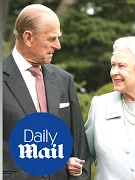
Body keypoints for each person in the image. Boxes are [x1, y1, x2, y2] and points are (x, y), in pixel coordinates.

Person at [3, 4, 91, 179]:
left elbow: (80, 149)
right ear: (28, 37)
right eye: (51, 39)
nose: (58, 45)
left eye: (58, 38)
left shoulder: (64, 80)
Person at [68, 36, 135, 180]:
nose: (113, 72)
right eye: (113, 65)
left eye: (121, 66)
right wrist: (71, 162)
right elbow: (82, 155)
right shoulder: (99, 106)